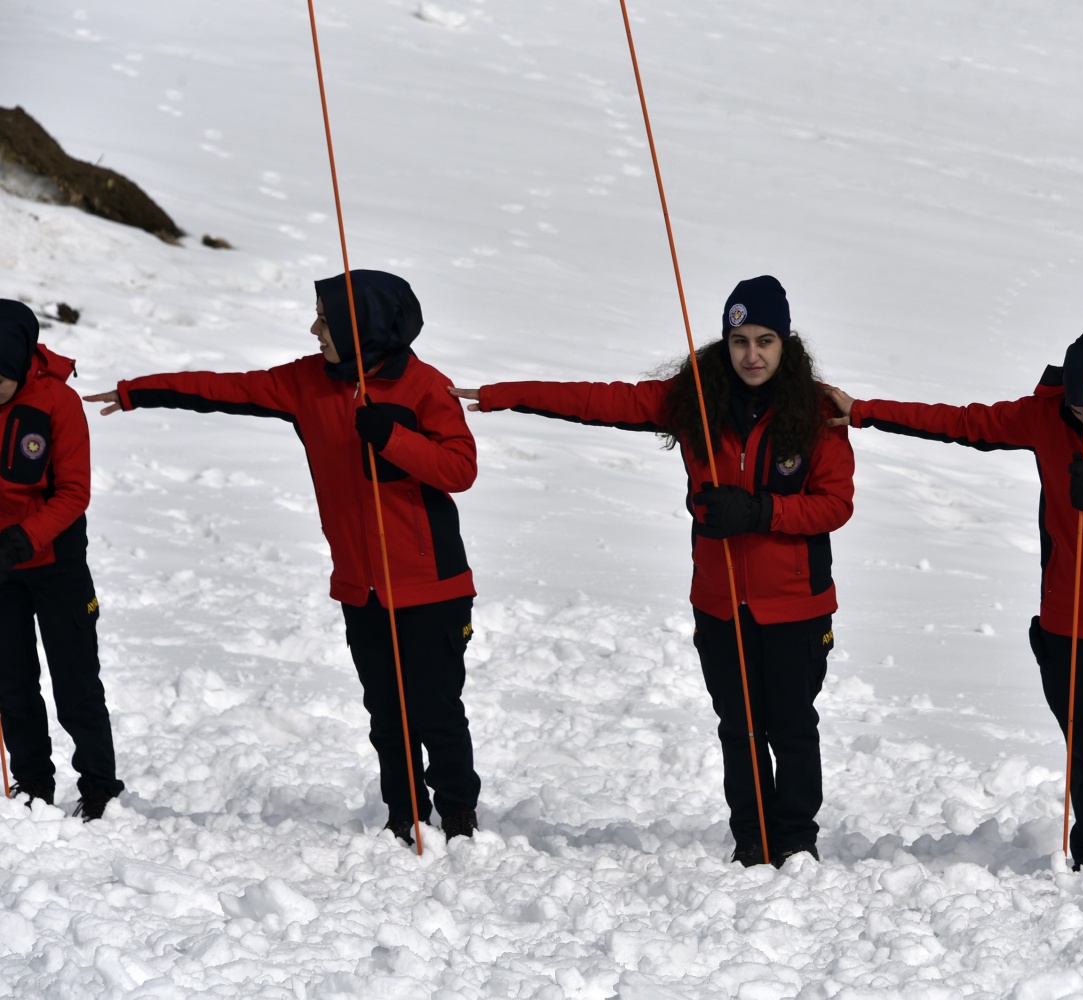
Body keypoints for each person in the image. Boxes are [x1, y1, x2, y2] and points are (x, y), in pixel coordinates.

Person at [451, 275, 853, 867]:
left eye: (765, 340)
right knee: (739, 727)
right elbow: (597, 401)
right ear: (725, 342)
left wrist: (760, 510)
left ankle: (796, 841)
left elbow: (834, 504)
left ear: (786, 343)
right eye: (740, 341)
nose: (752, 355)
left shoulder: (817, 413)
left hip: (796, 604)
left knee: (791, 727)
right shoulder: (695, 400)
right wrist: (505, 393)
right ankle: (752, 840)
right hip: (720, 603)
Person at [84, 271, 482, 843]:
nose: (314, 328)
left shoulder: (425, 387)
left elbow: (459, 470)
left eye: (327, 319)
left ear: (360, 326)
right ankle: (405, 813)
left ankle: (461, 816)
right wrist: (137, 391)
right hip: (361, 587)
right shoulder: (306, 384)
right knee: (387, 716)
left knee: (436, 710)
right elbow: (224, 389)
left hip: (432, 586)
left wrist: (392, 438)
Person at [826, 327, 1083, 874]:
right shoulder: (1048, 415)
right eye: (1076, 410)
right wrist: (864, 410)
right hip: (1069, 615)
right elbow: (961, 422)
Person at [0, 299, 125, 820]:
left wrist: (24, 539)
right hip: (1, 572)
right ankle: (32, 782)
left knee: (75, 682)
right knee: (11, 683)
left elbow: (74, 492)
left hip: (56, 566)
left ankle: (98, 785)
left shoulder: (58, 403)